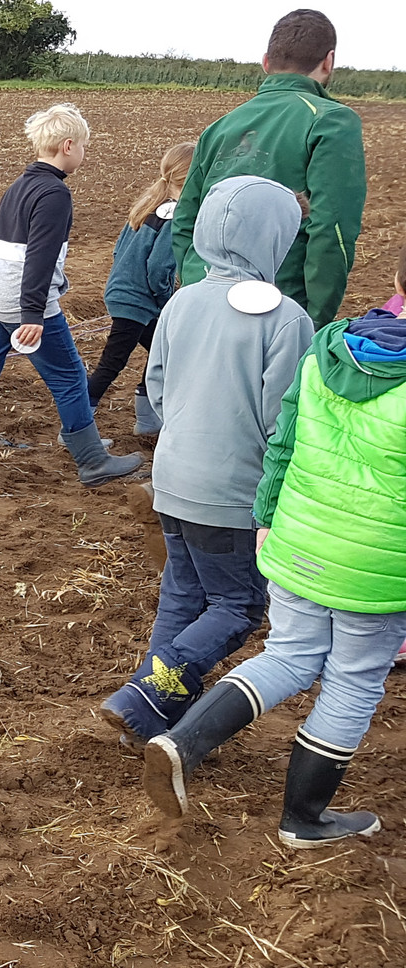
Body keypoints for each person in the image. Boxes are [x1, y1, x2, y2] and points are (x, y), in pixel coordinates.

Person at [141, 285, 406, 848]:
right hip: (379, 566)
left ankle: (182, 742)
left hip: (297, 540)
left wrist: (266, 517)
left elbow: (284, 440)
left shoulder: (330, 346)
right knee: (353, 682)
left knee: (289, 654)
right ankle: (304, 819)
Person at [96, 177, 313, 747]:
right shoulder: (286, 319)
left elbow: (158, 388)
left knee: (185, 597)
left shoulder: (181, 301)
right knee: (238, 606)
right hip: (234, 492)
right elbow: (283, 419)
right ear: (274, 238)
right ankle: (146, 693)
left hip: (172, 478)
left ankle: (149, 716)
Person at [0, 104, 143, 485]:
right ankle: (92, 462)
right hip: (21, 301)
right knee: (70, 377)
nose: (84, 154)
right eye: (85, 146)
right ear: (68, 146)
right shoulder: (54, 194)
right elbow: (39, 258)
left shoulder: (20, 185)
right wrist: (33, 315)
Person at [170, 10, 366, 328]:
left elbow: (184, 223)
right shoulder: (331, 121)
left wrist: (196, 285)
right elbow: (333, 231)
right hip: (278, 312)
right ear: (329, 61)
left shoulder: (219, 128)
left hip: (202, 308)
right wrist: (312, 320)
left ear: (265, 62)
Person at [86, 142, 195, 432]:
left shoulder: (148, 205)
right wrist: (165, 299)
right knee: (112, 364)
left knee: (162, 352)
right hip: (139, 301)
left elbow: (118, 251)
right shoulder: (175, 216)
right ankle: (76, 426)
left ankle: (147, 422)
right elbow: (159, 267)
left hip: (122, 291)